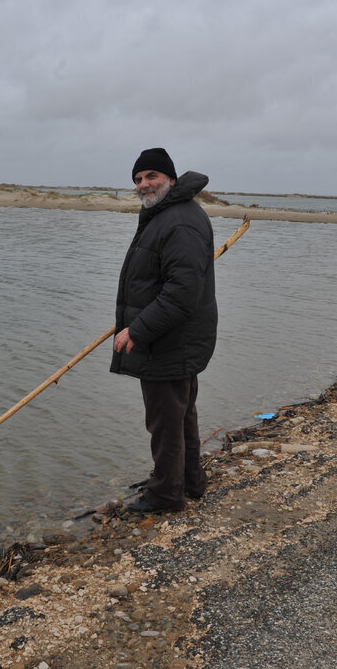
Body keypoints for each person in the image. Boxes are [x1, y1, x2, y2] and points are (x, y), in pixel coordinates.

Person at [111, 147, 217, 513]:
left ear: (171, 180)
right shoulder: (168, 215)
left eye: (151, 176)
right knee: (181, 414)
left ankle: (165, 496)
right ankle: (188, 481)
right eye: (138, 179)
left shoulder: (179, 222)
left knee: (165, 422)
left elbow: (181, 294)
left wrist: (136, 330)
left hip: (168, 340)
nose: (144, 184)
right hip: (176, 339)